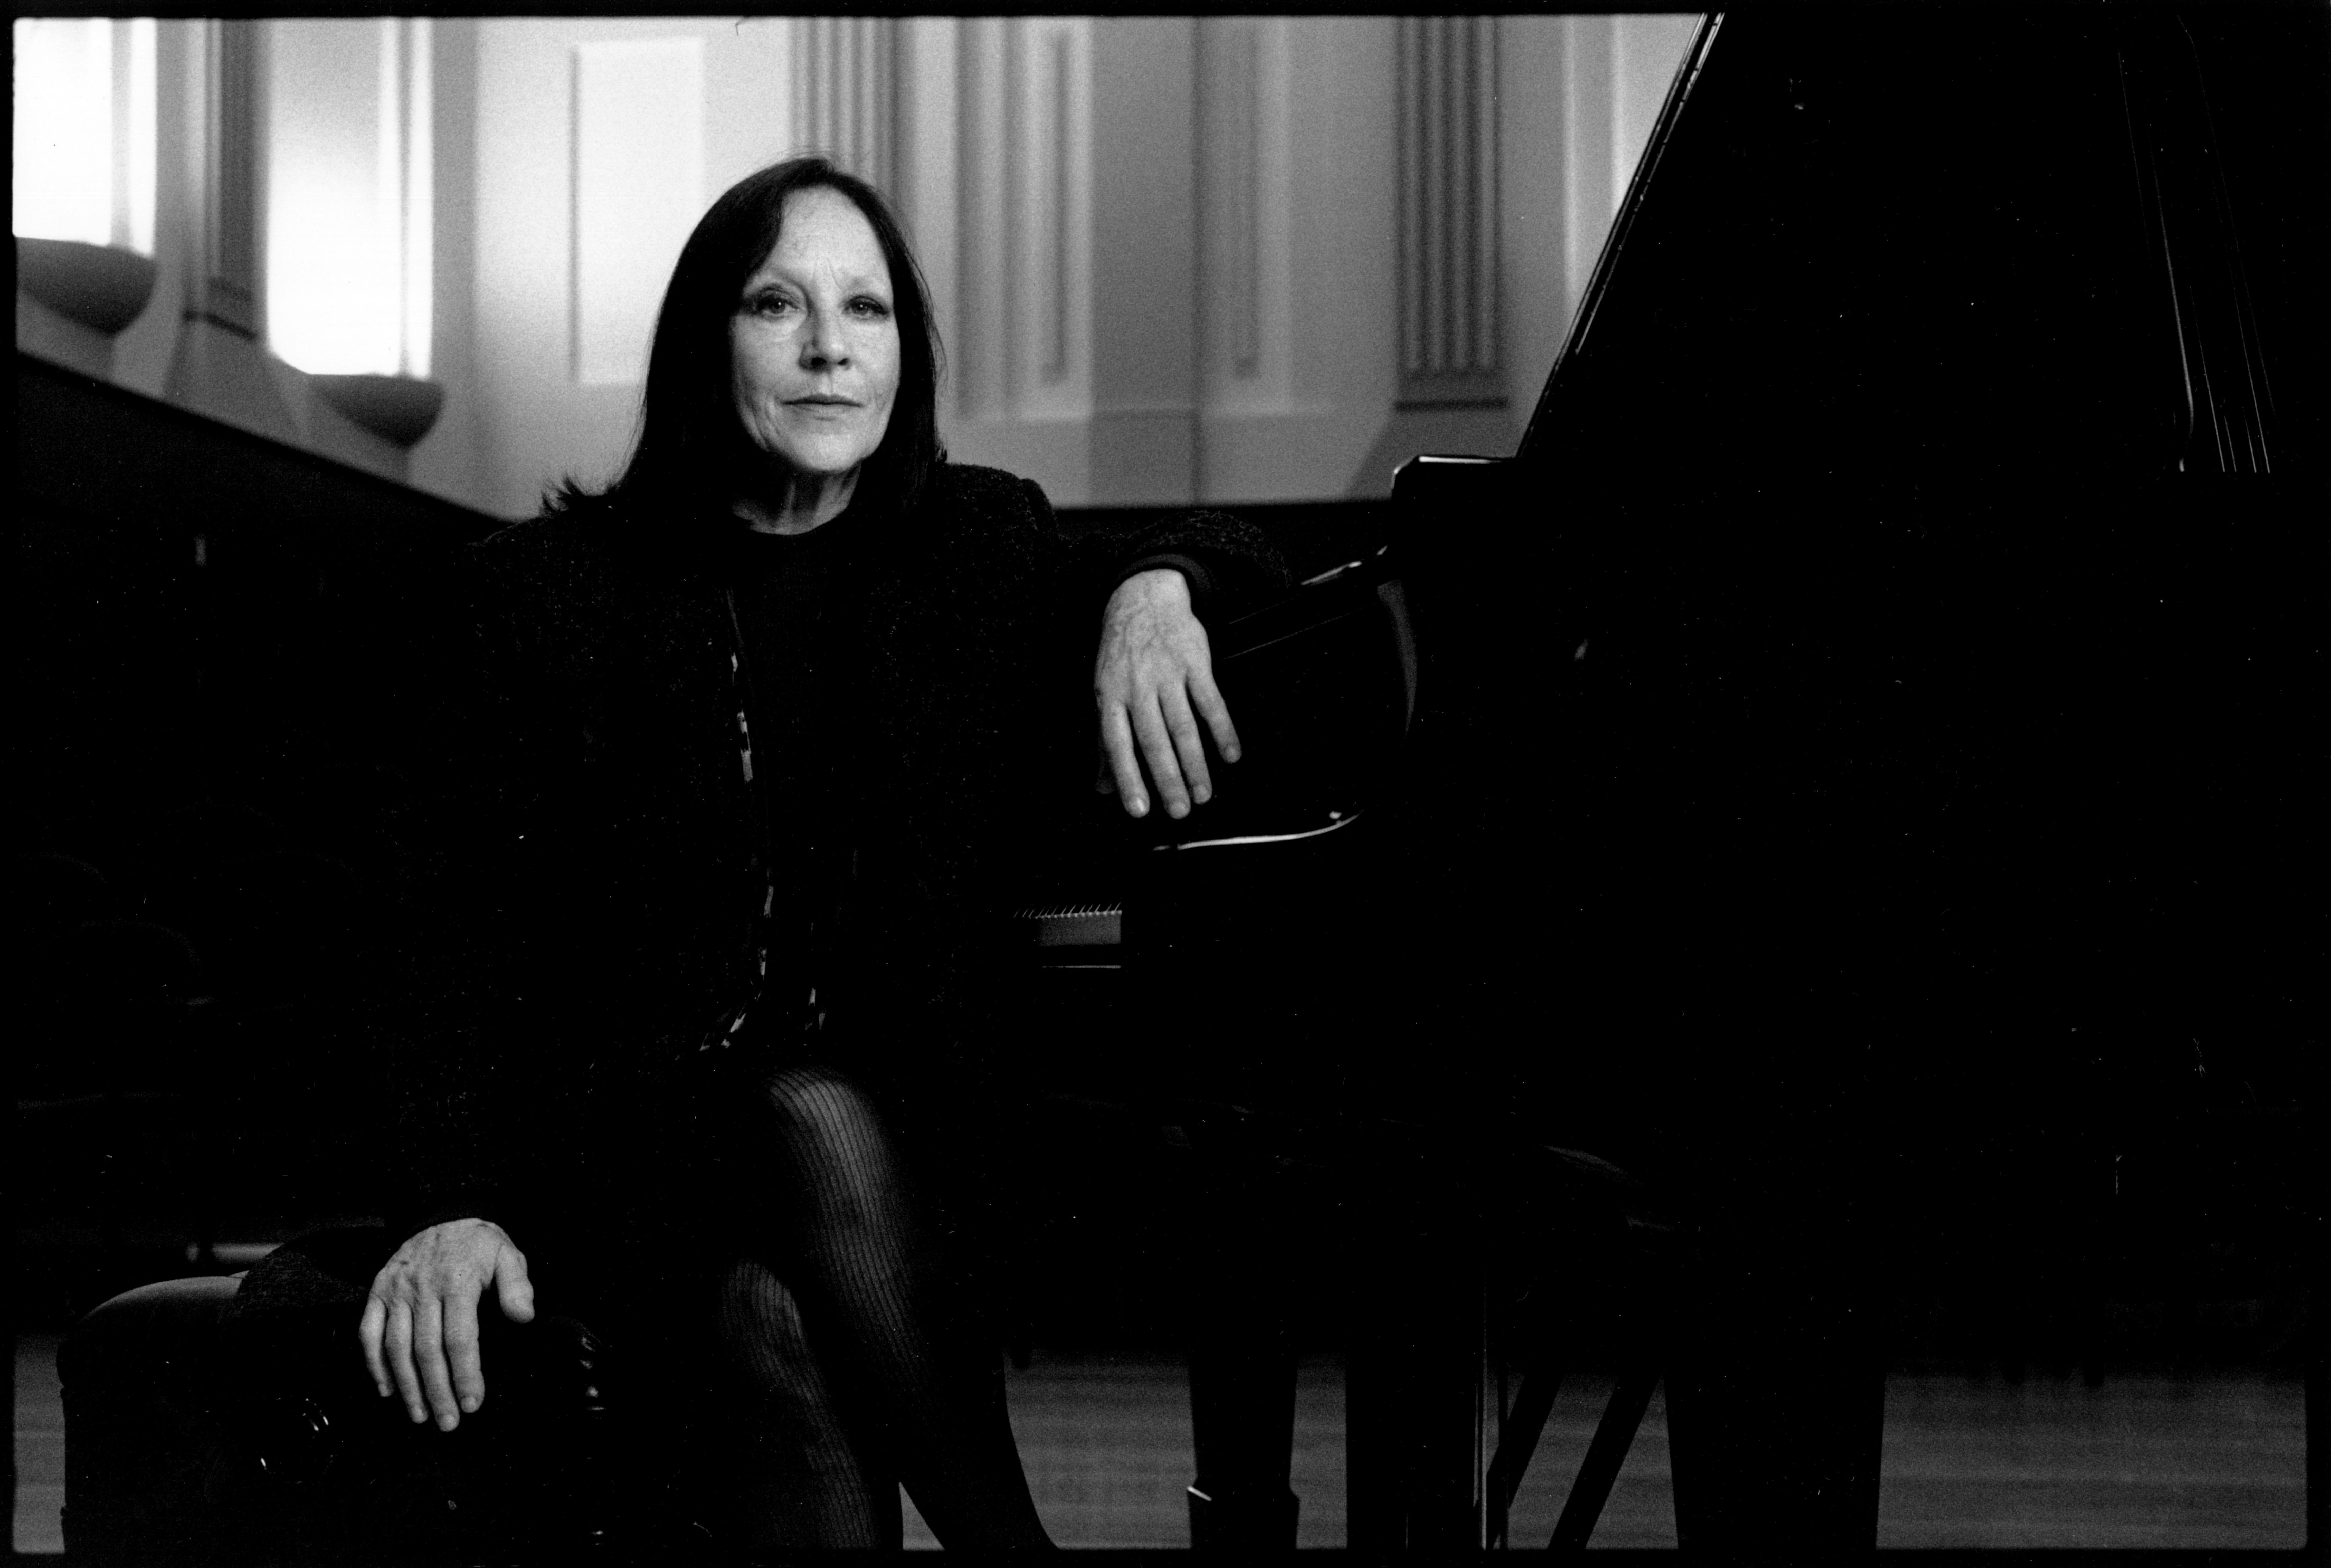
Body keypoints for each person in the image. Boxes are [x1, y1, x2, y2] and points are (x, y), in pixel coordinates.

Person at [346, 156, 1287, 1553]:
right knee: (801, 1120)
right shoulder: (543, 600)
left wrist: (1159, 591)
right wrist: (450, 1204)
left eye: (867, 309)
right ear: (698, 342)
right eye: (776, 305)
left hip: (911, 1168)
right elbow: (429, 941)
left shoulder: (975, 544)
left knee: (773, 1308)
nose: (831, 347)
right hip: (628, 1158)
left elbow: (1226, 545)